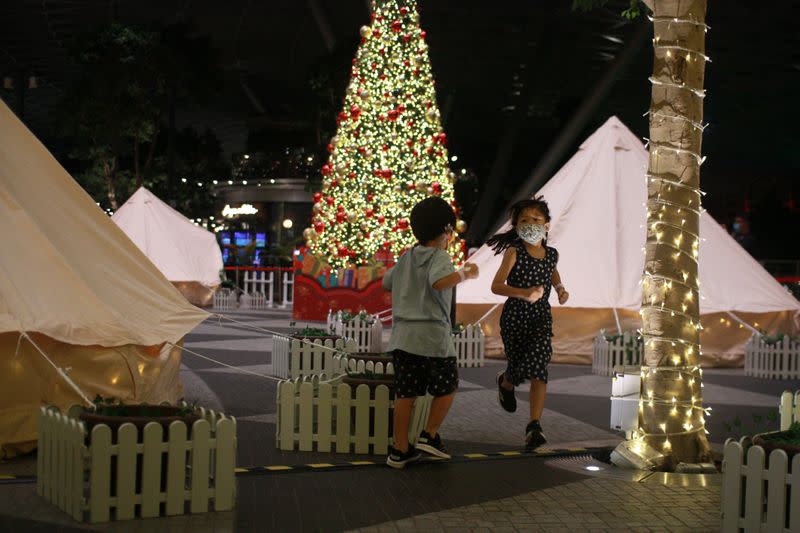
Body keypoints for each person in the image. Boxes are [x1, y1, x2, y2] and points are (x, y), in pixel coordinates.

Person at [382, 196, 479, 468]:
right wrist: (464, 274)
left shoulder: (406, 256)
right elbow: (438, 282)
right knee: (447, 387)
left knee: (406, 394)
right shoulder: (440, 256)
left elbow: (386, 282)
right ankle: (429, 434)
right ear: (447, 230)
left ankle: (400, 450)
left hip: (402, 337)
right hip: (432, 337)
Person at [487, 197, 569, 451]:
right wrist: (524, 293)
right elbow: (496, 285)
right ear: (516, 225)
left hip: (541, 318)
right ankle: (507, 382)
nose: (531, 223)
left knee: (539, 365)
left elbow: (552, 271)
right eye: (524, 220)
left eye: (536, 219)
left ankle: (534, 425)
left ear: (547, 225)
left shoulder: (552, 254)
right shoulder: (514, 252)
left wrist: (560, 288)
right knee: (522, 364)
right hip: (514, 318)